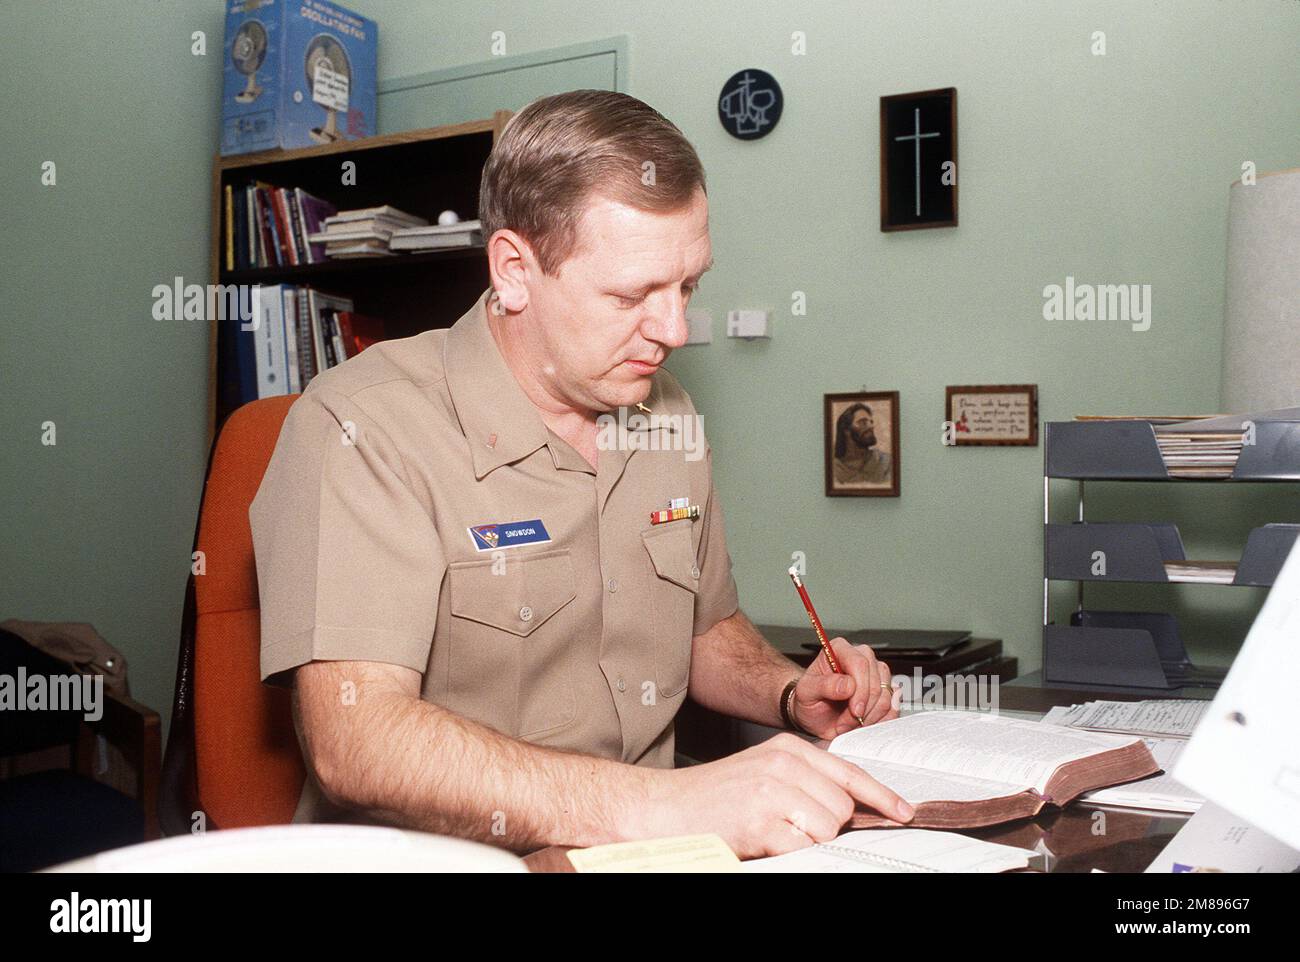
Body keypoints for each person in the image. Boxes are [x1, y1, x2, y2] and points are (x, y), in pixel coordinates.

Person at [250, 90, 911, 859]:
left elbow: (704, 630)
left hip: (645, 845)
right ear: (515, 271)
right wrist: (671, 803)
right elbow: (357, 744)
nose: (674, 331)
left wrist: (792, 695)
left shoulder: (666, 412)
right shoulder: (363, 427)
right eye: (632, 295)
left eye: (688, 285)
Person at [833, 403, 892, 485]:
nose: (871, 426)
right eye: (863, 422)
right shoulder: (834, 467)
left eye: (871, 422)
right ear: (846, 431)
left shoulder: (886, 462)